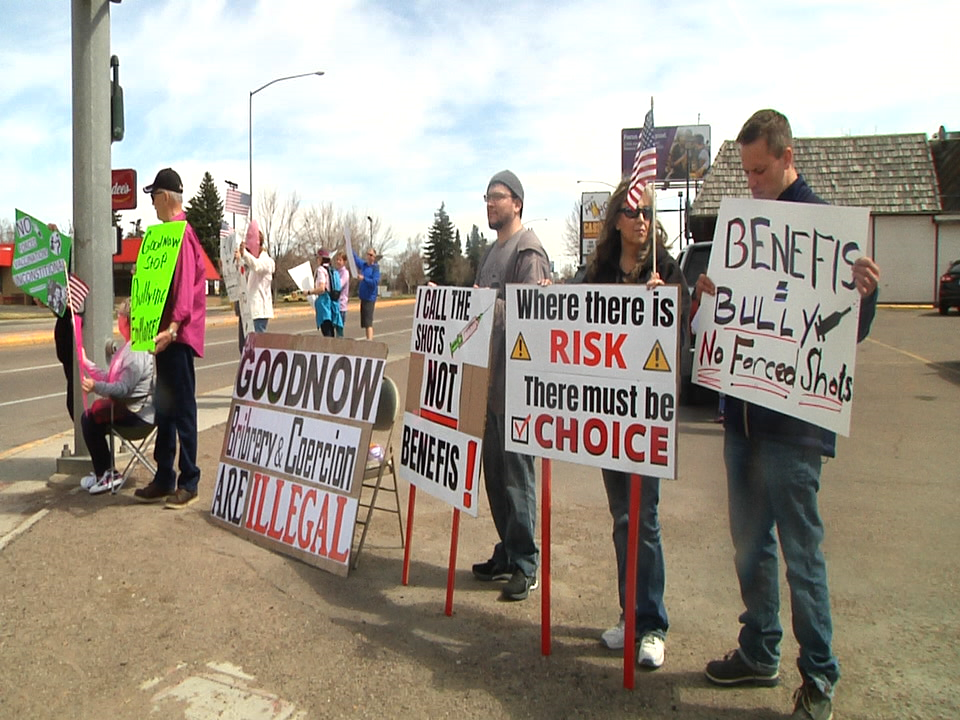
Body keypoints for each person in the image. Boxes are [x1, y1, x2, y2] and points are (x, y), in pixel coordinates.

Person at [697, 109, 881, 720]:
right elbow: (726, 313)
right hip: (743, 415)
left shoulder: (826, 230)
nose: (750, 181)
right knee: (751, 544)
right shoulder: (743, 229)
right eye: (745, 172)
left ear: (785, 156)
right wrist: (709, 299)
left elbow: (846, 333)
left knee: (801, 552)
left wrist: (865, 294)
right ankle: (760, 649)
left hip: (795, 427)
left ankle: (820, 677)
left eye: (758, 170)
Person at [579, 181, 690, 668]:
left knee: (645, 520)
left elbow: (688, 329)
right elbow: (565, 315)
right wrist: (542, 296)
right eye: (631, 212)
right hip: (607, 415)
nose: (641, 220)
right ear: (616, 220)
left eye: (647, 212)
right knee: (622, 519)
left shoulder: (667, 269)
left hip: (647, 418)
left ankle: (652, 625)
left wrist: (669, 303)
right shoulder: (599, 272)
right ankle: (629, 616)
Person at [471, 170, 551, 601]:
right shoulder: (492, 252)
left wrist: (482, 306)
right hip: (489, 382)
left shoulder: (528, 251)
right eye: (486, 197)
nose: (489, 204)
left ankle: (525, 563)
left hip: (517, 386)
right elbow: (479, 307)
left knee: (517, 477)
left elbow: (530, 316)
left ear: (517, 203)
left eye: (496, 197)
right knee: (495, 473)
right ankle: (508, 550)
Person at [134, 167, 207, 509]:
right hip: (162, 335)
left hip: (177, 337)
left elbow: (186, 289)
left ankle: (188, 479)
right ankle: (164, 476)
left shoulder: (183, 235)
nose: (151, 203)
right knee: (164, 408)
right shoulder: (163, 237)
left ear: (165, 198)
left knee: (182, 409)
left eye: (153, 197)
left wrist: (175, 326)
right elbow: (160, 287)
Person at [78, 299, 154, 494]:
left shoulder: (136, 351)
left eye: (119, 316)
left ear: (127, 320)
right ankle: (104, 471)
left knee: (89, 419)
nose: (117, 319)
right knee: (91, 417)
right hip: (132, 410)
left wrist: (95, 387)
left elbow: (121, 389)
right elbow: (111, 379)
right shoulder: (128, 347)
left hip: (137, 416)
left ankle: (107, 472)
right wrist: (87, 364)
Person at [235, 219, 275, 337]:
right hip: (247, 310)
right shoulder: (249, 261)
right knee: (245, 347)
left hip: (259, 312)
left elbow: (257, 266)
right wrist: (236, 260)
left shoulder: (267, 261)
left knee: (257, 345)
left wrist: (245, 254)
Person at [310, 248, 342, 337]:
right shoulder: (333, 270)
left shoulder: (321, 270)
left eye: (317, 258)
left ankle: (330, 350)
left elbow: (322, 288)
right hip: (333, 303)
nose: (317, 260)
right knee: (331, 331)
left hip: (324, 303)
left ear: (320, 258)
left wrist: (309, 292)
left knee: (327, 332)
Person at [353, 246, 380, 340]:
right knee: (365, 322)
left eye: (371, 255)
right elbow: (356, 259)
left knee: (368, 322)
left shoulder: (375, 269)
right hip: (363, 297)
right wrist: (349, 248)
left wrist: (364, 279)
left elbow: (374, 283)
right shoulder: (364, 265)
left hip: (370, 298)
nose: (369, 256)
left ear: (374, 257)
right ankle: (367, 339)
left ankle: (370, 341)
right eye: (368, 254)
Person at [334, 251, 350, 337]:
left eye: (340, 260)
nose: (338, 262)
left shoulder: (345, 273)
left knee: (339, 331)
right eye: (337, 260)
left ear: (344, 262)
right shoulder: (336, 272)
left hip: (341, 305)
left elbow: (338, 285)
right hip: (334, 305)